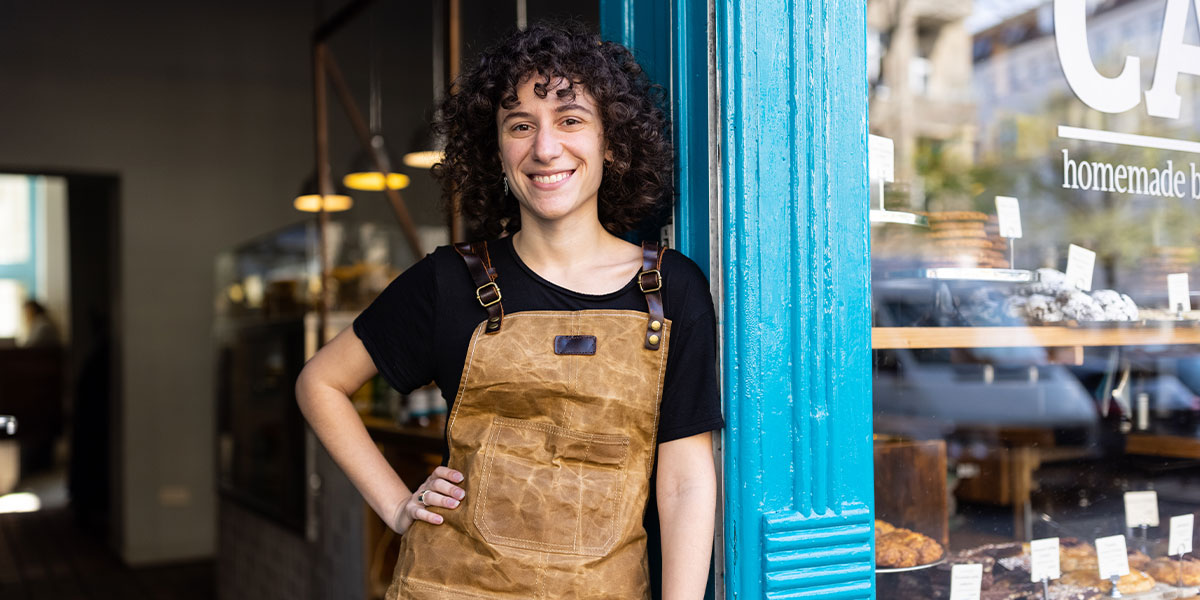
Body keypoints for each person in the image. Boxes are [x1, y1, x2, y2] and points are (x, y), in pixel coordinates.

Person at [296, 22, 722, 599]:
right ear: (495, 150)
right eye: (520, 126)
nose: (545, 147)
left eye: (570, 120)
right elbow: (319, 382)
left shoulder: (673, 289)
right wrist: (397, 506)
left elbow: (686, 483)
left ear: (612, 142)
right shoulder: (448, 281)